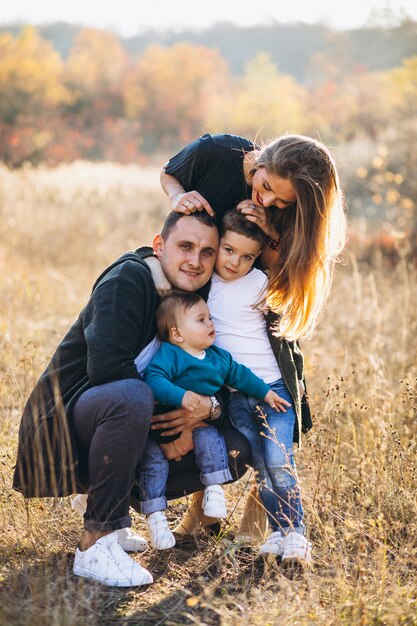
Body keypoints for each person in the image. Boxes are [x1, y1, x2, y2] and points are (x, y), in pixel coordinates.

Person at [12, 210, 253, 588]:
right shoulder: (129, 278)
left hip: (122, 425)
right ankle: (96, 542)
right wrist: (168, 435)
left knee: (236, 447)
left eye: (207, 252)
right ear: (160, 246)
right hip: (62, 428)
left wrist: (208, 410)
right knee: (131, 394)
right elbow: (107, 368)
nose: (196, 260)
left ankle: (115, 509)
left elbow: (216, 372)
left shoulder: (191, 299)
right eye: (185, 246)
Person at [151, 132, 346, 546]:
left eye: (282, 202)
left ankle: (262, 526)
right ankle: (200, 513)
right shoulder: (215, 151)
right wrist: (178, 197)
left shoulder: (283, 209)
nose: (269, 200)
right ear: (261, 163)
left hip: (254, 317)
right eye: (268, 188)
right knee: (206, 398)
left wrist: (270, 229)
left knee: (266, 428)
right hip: (205, 299)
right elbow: (169, 174)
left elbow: (286, 276)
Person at [138, 290, 290, 550]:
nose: (211, 323)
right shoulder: (170, 354)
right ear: (177, 334)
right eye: (201, 320)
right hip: (161, 429)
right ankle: (155, 518)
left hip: (200, 425)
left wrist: (266, 393)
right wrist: (181, 395)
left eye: (210, 317)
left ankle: (214, 489)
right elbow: (154, 379)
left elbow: (241, 376)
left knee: (211, 440)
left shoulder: (218, 357)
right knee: (153, 465)